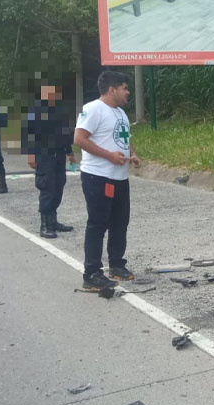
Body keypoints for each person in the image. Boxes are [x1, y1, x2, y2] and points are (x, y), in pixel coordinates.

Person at [73, 71, 141, 291]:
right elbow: (79, 139)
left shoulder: (120, 113)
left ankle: (117, 265)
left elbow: (124, 138)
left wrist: (132, 154)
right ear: (112, 89)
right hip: (98, 176)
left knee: (120, 222)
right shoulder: (93, 109)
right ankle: (92, 274)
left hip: (119, 177)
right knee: (97, 224)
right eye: (124, 88)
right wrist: (109, 156)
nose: (127, 92)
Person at [21, 83, 77, 238]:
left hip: (59, 154)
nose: (53, 95)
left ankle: (53, 221)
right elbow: (28, 134)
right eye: (50, 92)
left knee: (59, 186)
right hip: (43, 154)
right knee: (47, 188)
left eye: (55, 92)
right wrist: (30, 155)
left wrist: (70, 152)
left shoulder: (60, 111)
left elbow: (65, 133)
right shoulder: (35, 111)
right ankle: (44, 225)